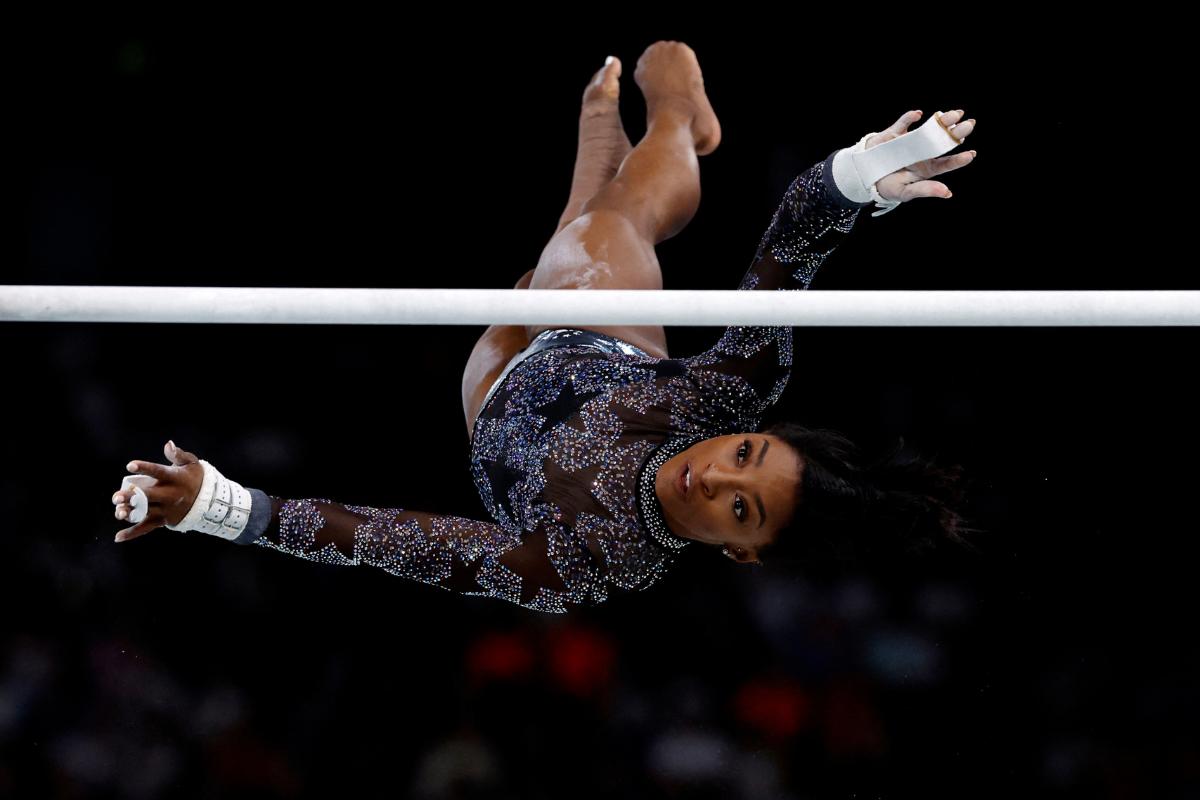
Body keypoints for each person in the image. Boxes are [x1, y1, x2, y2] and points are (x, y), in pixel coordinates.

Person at [109, 42, 981, 613]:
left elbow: (398, 543)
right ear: (749, 434)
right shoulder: (731, 391)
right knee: (597, 241)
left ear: (742, 554)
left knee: (559, 253)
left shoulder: (592, 564)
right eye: (744, 457)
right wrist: (863, 176)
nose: (712, 477)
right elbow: (791, 244)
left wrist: (226, 510)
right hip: (605, 330)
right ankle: (678, 110)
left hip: (489, 393)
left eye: (740, 510)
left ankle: (602, 160)